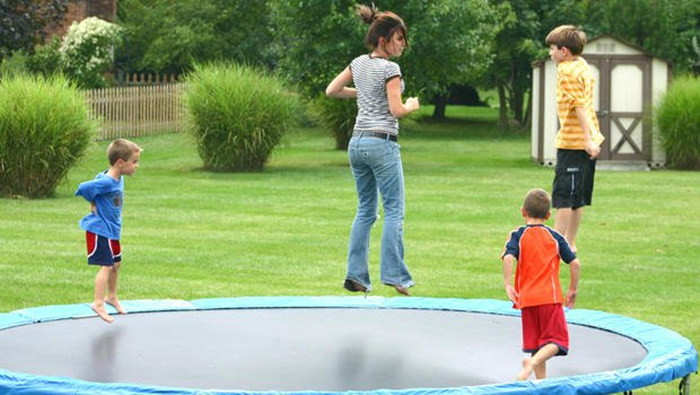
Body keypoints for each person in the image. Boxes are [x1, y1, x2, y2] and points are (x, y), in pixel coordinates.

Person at [326, 4, 419, 296]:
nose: (403, 44)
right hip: (381, 143)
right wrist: (411, 105)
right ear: (384, 40)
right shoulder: (391, 68)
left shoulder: (358, 63)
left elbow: (332, 90)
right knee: (394, 210)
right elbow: (396, 109)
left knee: (365, 210)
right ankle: (395, 275)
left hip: (357, 143)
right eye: (399, 38)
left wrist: (364, 91)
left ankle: (356, 276)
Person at [501, 188, 581, 380]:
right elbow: (575, 263)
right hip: (549, 298)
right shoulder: (554, 236)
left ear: (523, 212)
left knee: (537, 345)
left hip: (527, 299)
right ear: (548, 215)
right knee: (558, 341)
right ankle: (532, 363)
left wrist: (508, 284)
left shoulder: (517, 235)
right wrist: (572, 289)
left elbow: (508, 258)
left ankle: (540, 383)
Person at [546, 25, 605, 253]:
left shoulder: (566, 71)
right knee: (577, 197)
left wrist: (587, 140)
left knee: (563, 197)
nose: (550, 53)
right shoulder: (582, 65)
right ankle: (569, 243)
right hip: (587, 139)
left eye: (552, 49)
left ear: (564, 51)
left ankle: (557, 244)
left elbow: (579, 106)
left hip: (574, 143)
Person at [75, 139, 142, 323]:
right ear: (121, 163)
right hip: (99, 229)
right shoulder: (106, 181)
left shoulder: (116, 177)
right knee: (106, 265)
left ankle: (111, 297)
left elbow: (98, 179)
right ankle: (97, 302)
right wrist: (92, 202)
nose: (137, 166)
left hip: (113, 230)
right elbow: (83, 188)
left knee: (116, 263)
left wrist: (95, 200)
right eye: (134, 162)